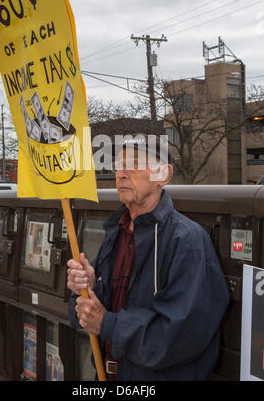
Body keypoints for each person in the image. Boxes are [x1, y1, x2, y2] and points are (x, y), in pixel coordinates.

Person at [67, 135, 230, 381]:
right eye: (118, 165)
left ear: (162, 175)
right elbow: (84, 316)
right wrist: (88, 289)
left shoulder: (186, 241)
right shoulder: (116, 232)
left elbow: (180, 336)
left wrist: (107, 323)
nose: (121, 173)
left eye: (134, 164)